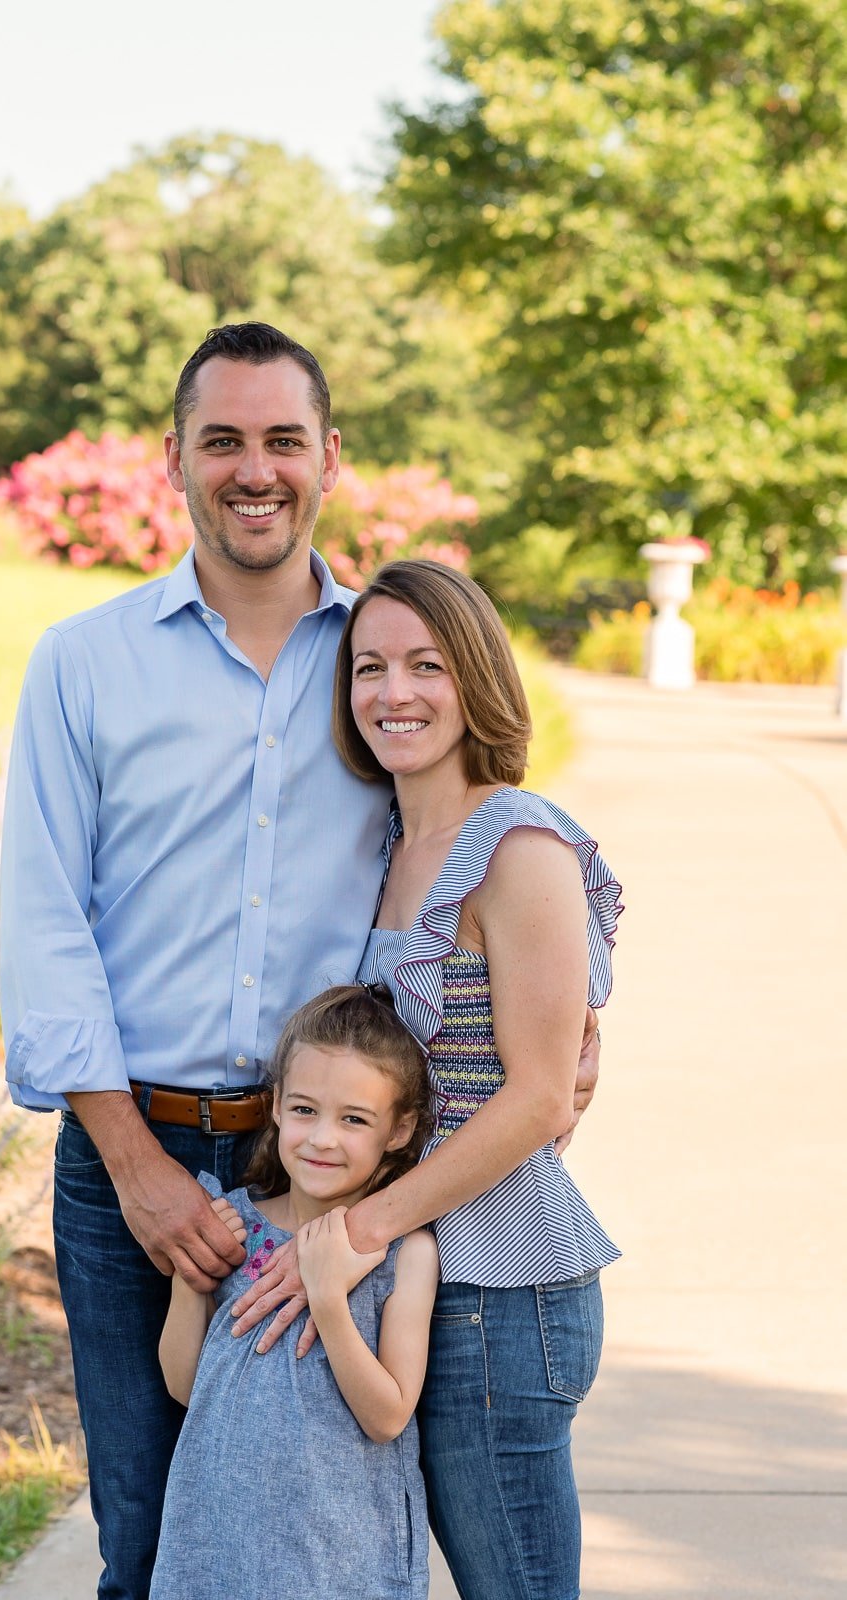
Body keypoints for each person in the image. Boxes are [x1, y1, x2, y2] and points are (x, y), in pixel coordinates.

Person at [0, 322, 601, 1600]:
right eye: (222, 440)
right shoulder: (85, 666)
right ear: (173, 459)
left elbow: (488, 864)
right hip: (133, 1173)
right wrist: (138, 1168)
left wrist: (559, 1045)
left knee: (334, 1539)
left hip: (335, 1172)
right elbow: (45, 930)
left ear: (330, 456)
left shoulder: (375, 657)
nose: (253, 468)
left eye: (283, 439)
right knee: (152, 1548)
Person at [233, 558, 622, 1600]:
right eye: (369, 668)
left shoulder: (516, 845)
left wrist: (363, 1231)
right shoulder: (395, 845)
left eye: (425, 665)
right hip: (416, 1281)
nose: (392, 692)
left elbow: (539, 1095)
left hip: (499, 1292)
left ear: (476, 679)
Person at [149, 985, 439, 1599]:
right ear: (276, 1105)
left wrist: (330, 1301)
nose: (322, 1138)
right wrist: (190, 1282)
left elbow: (388, 1417)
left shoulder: (402, 1254)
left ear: (399, 1128)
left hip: (339, 1548)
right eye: (305, 1109)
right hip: (220, 1541)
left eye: (354, 1119)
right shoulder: (233, 1222)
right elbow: (184, 1386)